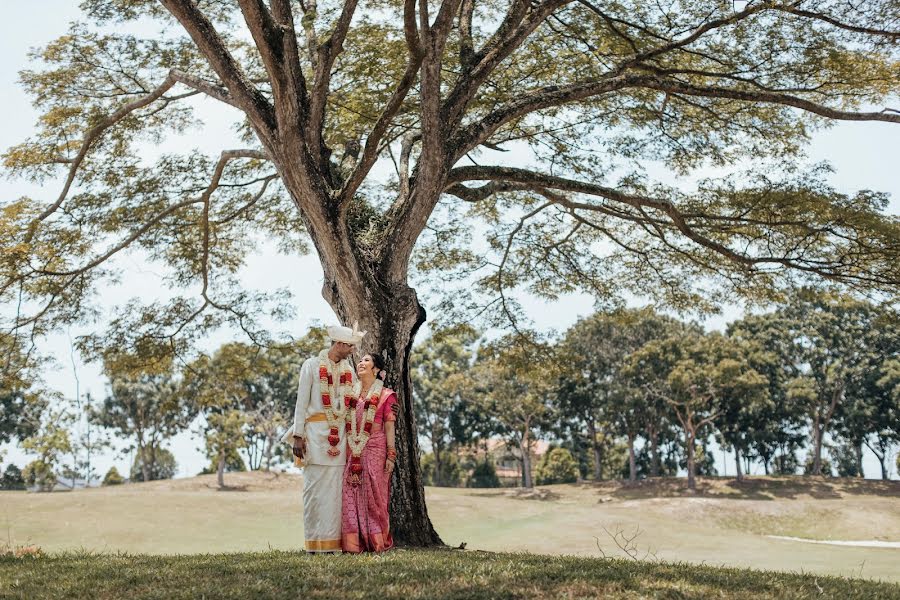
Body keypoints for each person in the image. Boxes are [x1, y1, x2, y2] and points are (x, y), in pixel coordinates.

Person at [280, 322, 365, 553]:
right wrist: (298, 436)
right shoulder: (311, 365)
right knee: (314, 493)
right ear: (338, 344)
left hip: (340, 439)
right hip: (314, 438)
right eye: (350, 346)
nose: (352, 352)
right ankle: (313, 544)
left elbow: (357, 402)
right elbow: (301, 402)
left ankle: (333, 545)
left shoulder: (349, 371)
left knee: (335, 495)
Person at [341, 352, 397, 553]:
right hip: (353, 449)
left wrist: (391, 454)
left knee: (374, 495)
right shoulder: (351, 394)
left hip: (375, 448)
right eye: (360, 360)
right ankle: (354, 544)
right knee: (350, 492)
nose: (360, 363)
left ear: (376, 369)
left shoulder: (386, 395)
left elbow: (389, 426)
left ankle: (376, 541)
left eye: (366, 360)